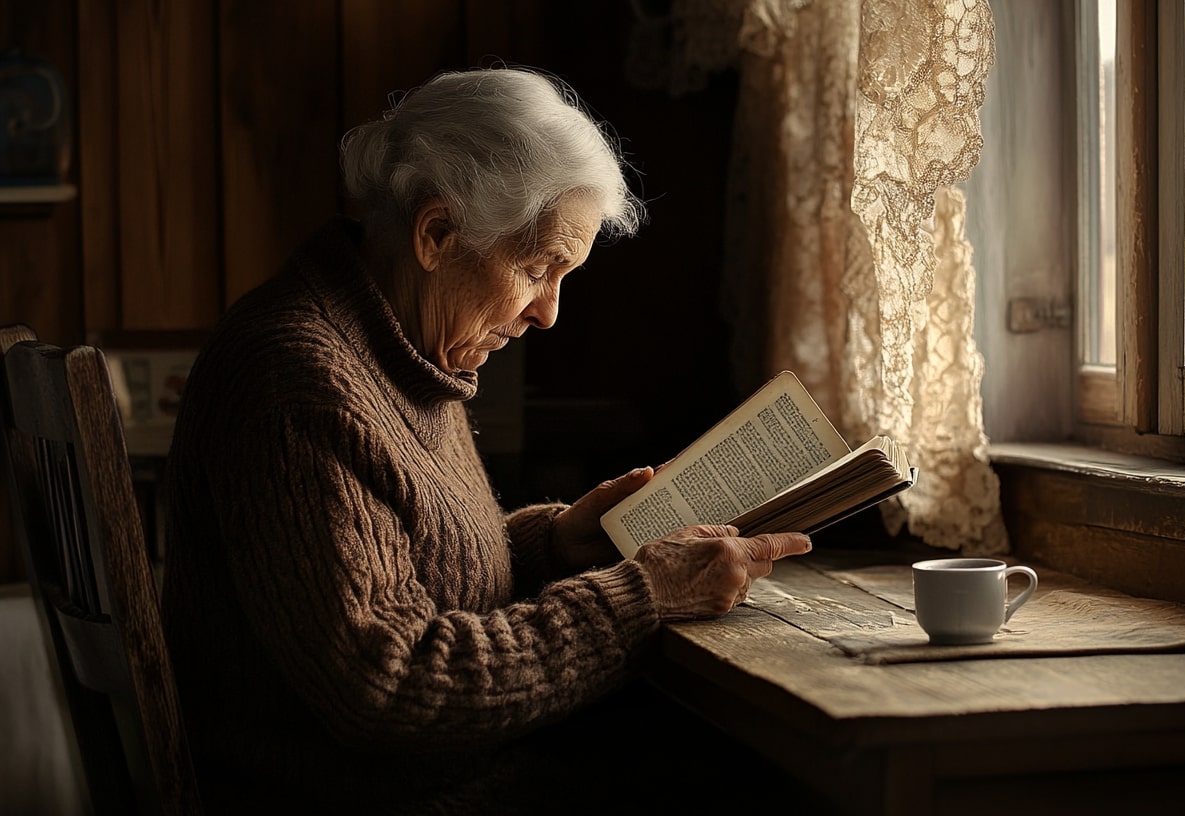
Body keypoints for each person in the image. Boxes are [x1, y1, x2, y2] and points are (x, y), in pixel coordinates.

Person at [159, 67, 811, 814]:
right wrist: (642, 596)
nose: (548, 315)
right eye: (536, 269)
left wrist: (555, 545)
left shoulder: (394, 350)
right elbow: (392, 683)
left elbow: (394, 566)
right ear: (436, 233)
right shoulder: (294, 381)